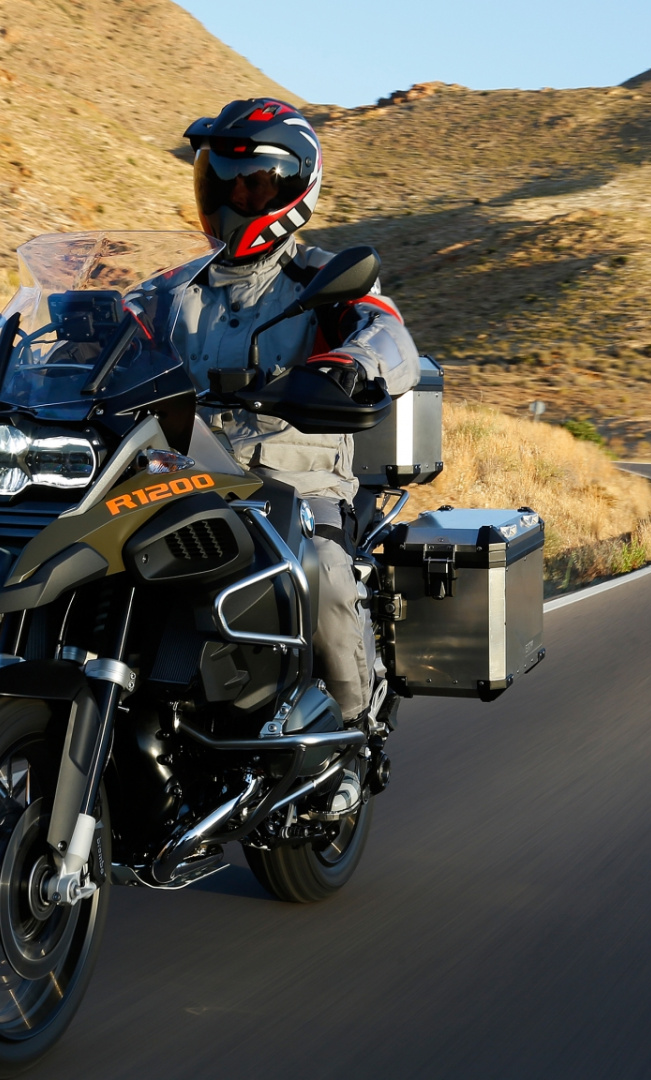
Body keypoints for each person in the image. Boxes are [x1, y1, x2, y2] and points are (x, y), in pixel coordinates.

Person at [173, 98, 420, 724]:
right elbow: (98, 341)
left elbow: (389, 336)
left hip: (294, 482)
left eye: (251, 184)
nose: (232, 200)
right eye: (220, 182)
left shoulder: (323, 278)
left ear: (293, 188)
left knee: (324, 577)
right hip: (180, 478)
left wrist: (353, 366)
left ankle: (350, 732)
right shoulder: (171, 290)